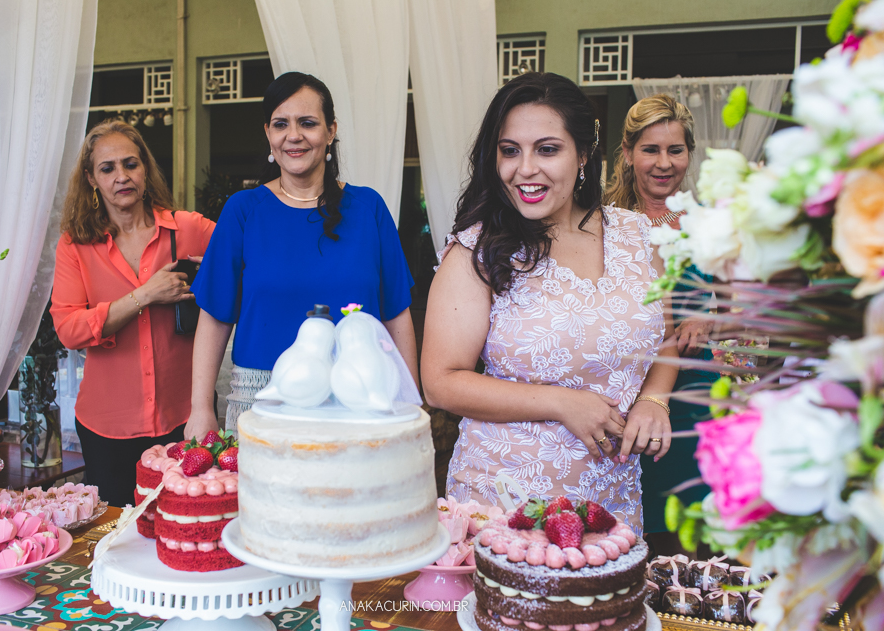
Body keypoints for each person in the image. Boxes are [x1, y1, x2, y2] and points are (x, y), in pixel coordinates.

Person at [422, 73, 679, 534]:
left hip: (611, 500)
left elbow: (667, 336)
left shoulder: (640, 236)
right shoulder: (476, 251)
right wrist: (563, 403)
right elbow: (441, 383)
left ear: (582, 154)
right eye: (509, 150)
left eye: (547, 149)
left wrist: (655, 400)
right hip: (505, 502)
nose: (525, 169)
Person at [186, 71, 417, 439]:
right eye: (281, 124)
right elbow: (214, 317)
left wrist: (409, 402)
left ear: (330, 131)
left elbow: (396, 313)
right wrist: (200, 408)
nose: (293, 135)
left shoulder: (368, 207)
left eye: (307, 123)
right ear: (268, 134)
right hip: (261, 402)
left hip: (361, 397)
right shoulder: (243, 210)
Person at [51, 121, 215, 507]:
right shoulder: (76, 246)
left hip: (185, 418)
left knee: (188, 526)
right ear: (91, 178)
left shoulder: (187, 229)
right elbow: (69, 329)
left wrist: (217, 274)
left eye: (131, 164)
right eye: (108, 168)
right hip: (107, 428)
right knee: (118, 536)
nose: (121, 176)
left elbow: (249, 267)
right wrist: (145, 295)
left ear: (146, 170)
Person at [605, 93, 719, 541]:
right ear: (629, 153)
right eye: (651, 149)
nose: (664, 163)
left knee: (689, 517)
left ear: (689, 153)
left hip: (693, 387)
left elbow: (737, 306)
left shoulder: (706, 223)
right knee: (625, 520)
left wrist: (708, 319)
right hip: (626, 383)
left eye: (676, 149)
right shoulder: (605, 222)